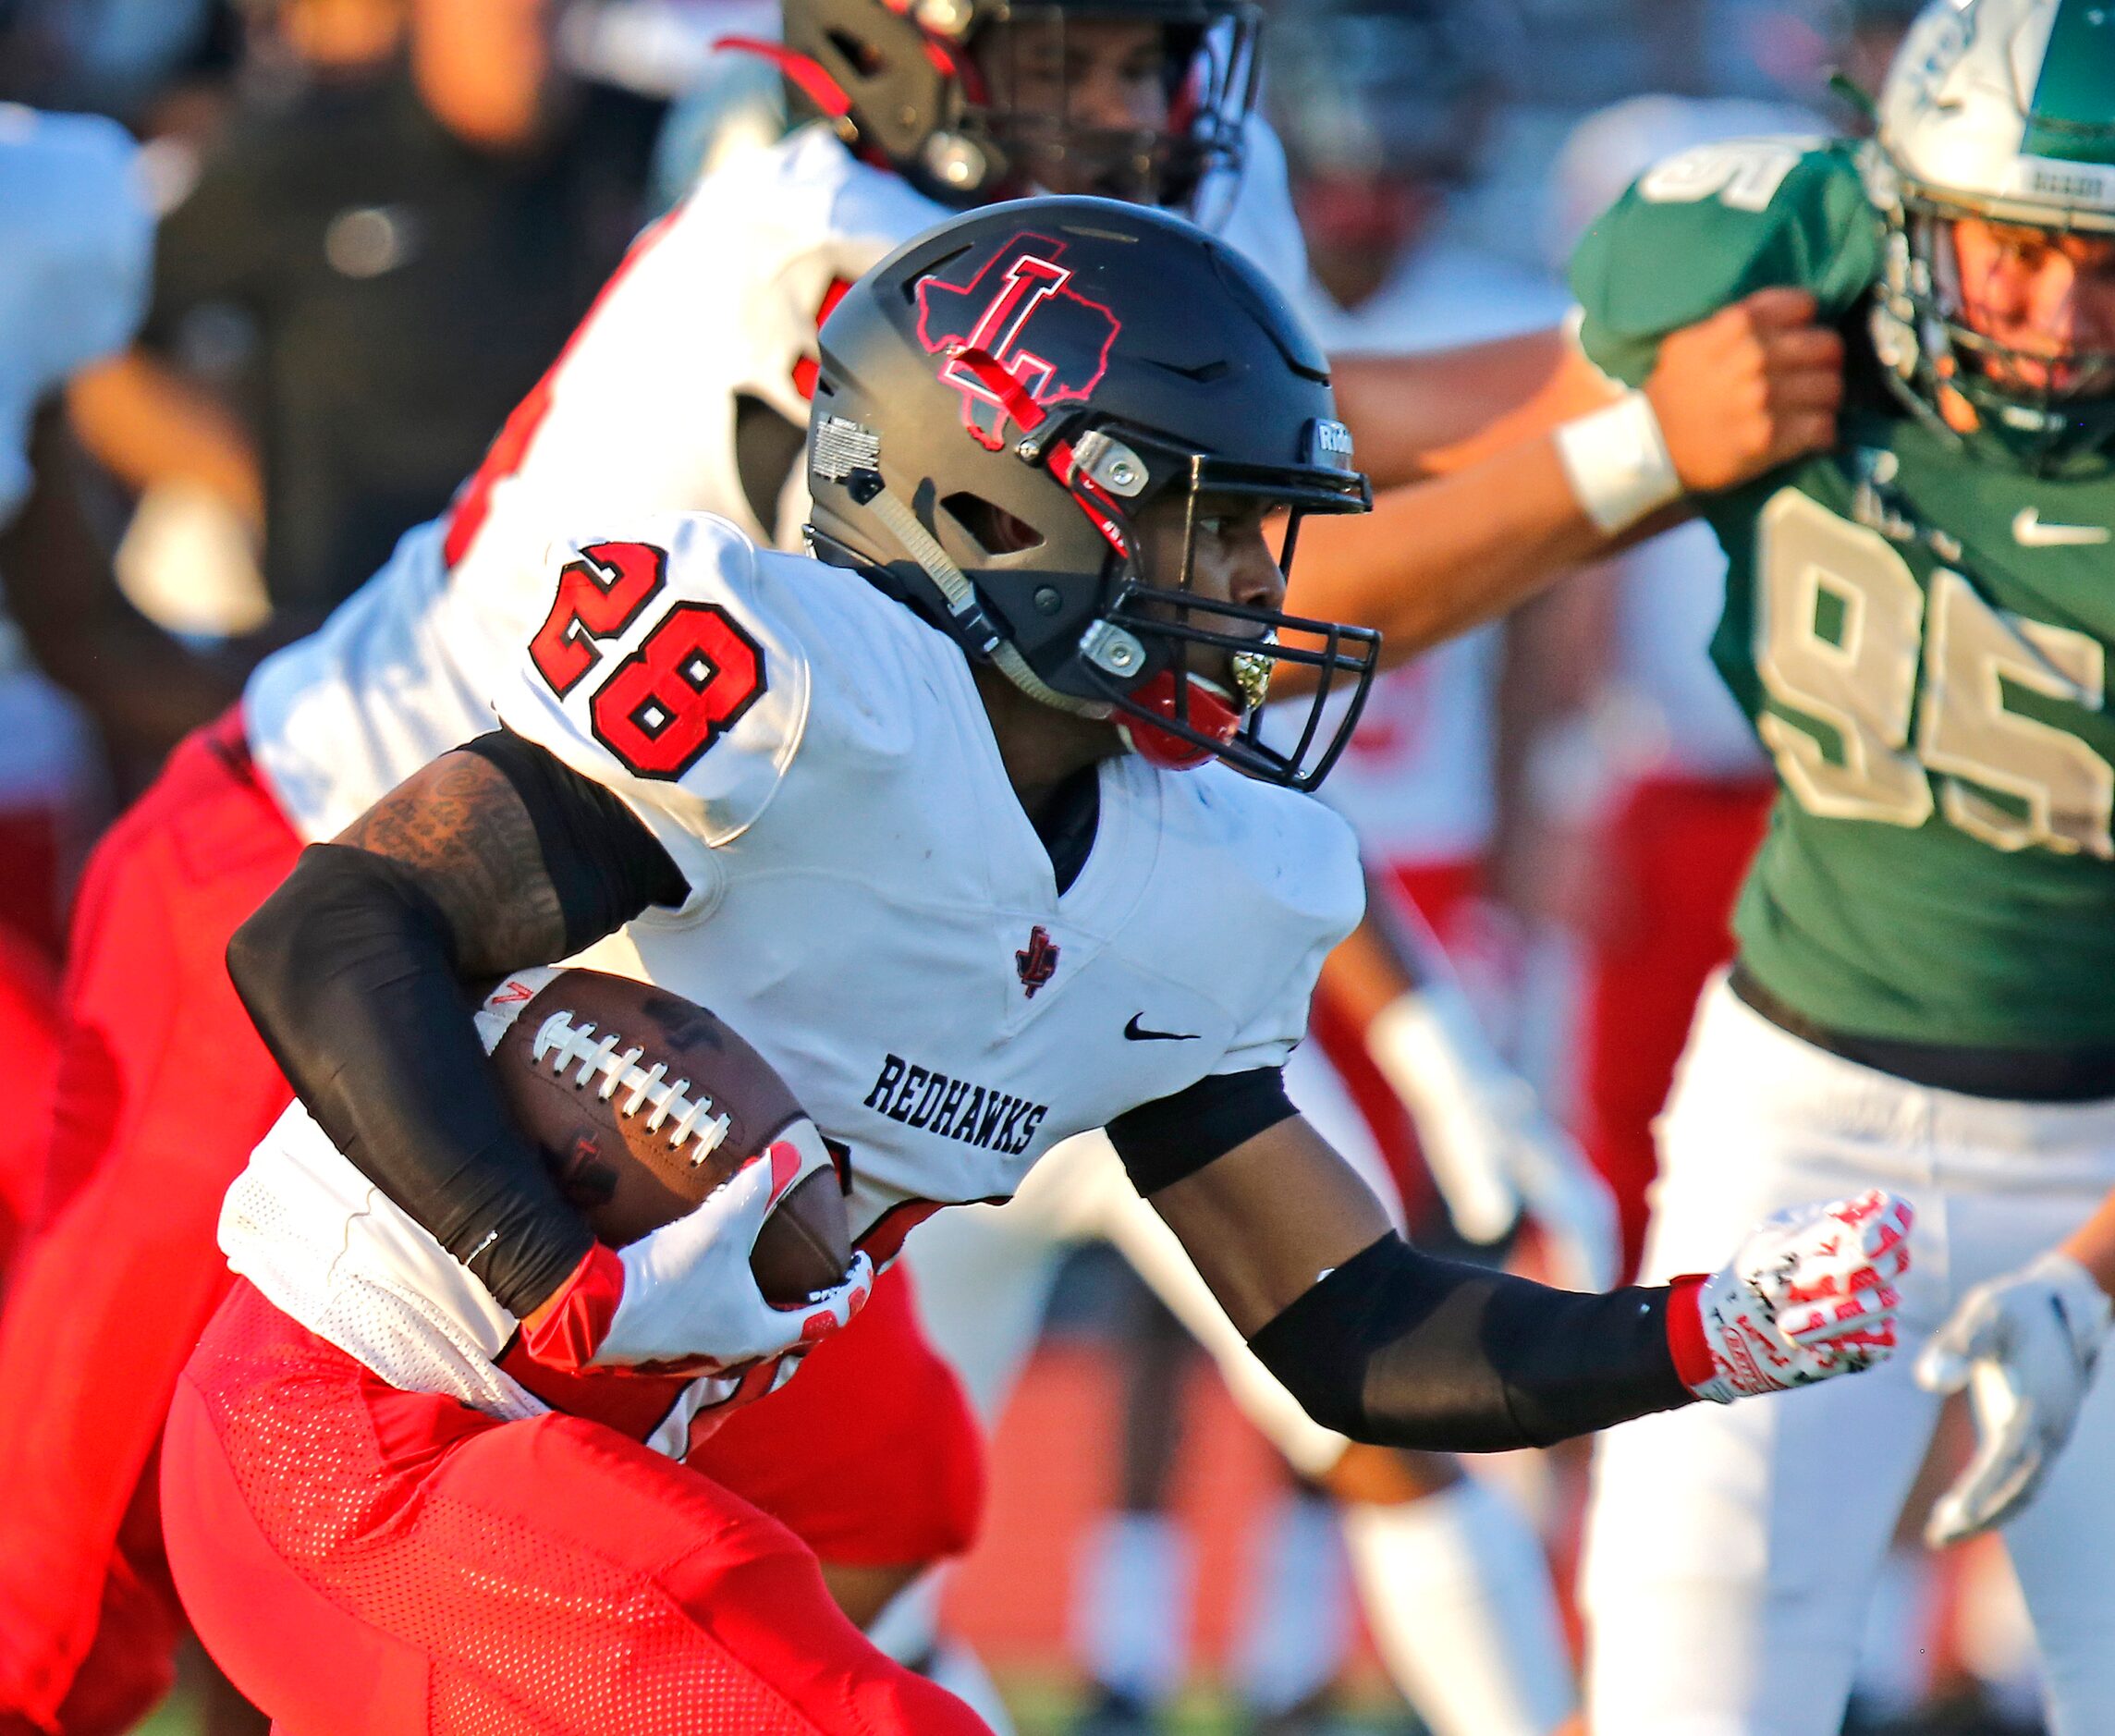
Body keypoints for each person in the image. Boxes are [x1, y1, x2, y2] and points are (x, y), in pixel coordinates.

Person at [0, 0, 1843, 1725]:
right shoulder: (829, 409)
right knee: (67, 1552)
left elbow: (1350, 1321)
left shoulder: (1167, 799)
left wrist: (1692, 1327)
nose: (1131, 115)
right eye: (1075, 63)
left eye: (1150, 66)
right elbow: (343, 922)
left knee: (907, 1483)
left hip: (684, 1130)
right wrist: (1640, 448)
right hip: (356, 892)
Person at [1554, 3, 2115, 1729]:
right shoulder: (1794, 259)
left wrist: (2092, 1271)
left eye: (2111, 259)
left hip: (2105, 1133)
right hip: (1802, 1108)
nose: (2061, 313)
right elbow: (1580, 347)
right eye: (2016, 246)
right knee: (1686, 1675)